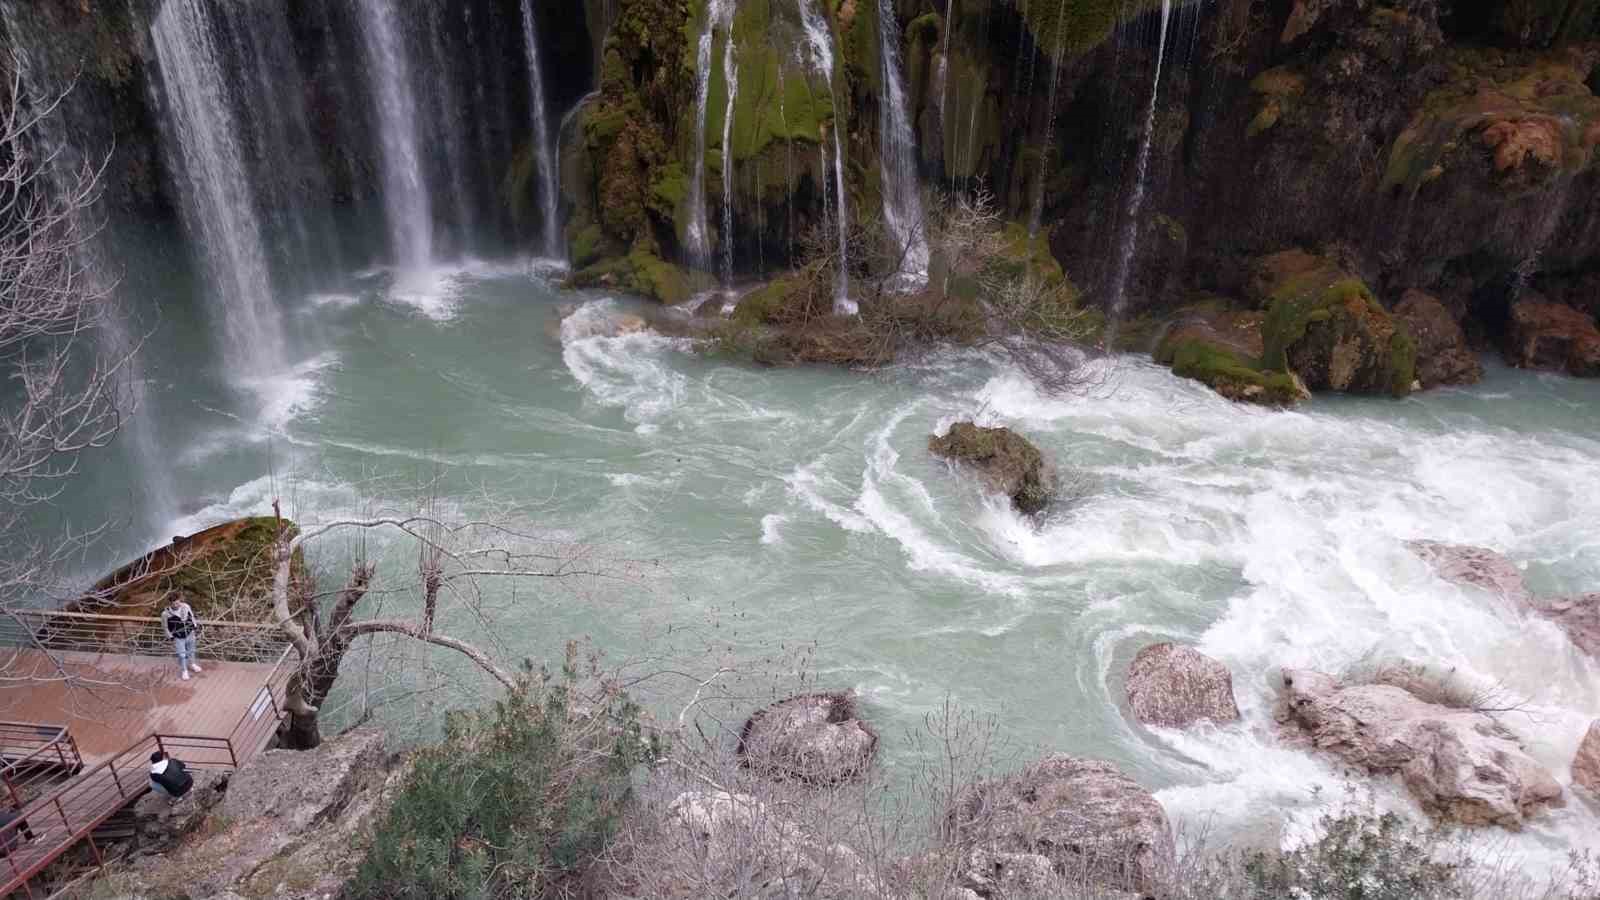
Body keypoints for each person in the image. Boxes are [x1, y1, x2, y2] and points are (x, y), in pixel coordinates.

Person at [161, 593, 203, 679]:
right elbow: (165, 627)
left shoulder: (186, 607)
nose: (176, 605)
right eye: (174, 604)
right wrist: (170, 636)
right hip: (178, 636)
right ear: (170, 603)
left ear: (180, 600)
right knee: (182, 654)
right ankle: (184, 670)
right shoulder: (165, 614)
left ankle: (192, 664)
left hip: (190, 633)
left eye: (178, 602)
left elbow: (192, 616)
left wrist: (194, 626)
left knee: (191, 650)